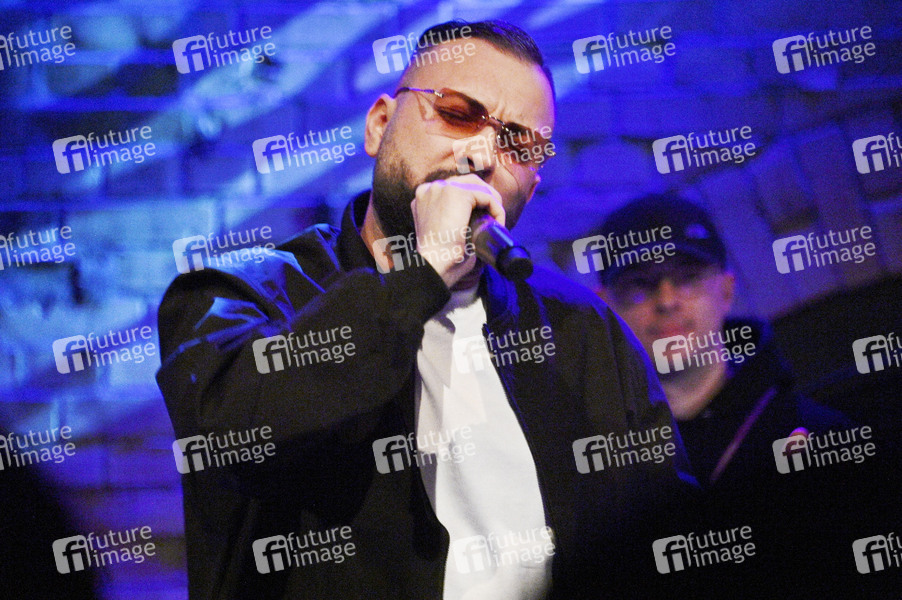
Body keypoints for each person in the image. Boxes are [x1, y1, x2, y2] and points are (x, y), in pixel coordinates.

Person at [157, 20, 697, 600]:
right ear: (379, 125)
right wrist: (419, 276)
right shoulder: (243, 292)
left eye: (518, 144)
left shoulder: (579, 329)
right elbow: (236, 436)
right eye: (458, 113)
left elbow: (663, 535)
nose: (482, 155)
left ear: (532, 186)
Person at [594, 194, 878, 597]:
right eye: (639, 283)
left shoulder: (821, 439)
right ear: (604, 306)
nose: (667, 300)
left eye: (687, 276)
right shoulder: (595, 461)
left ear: (726, 289)